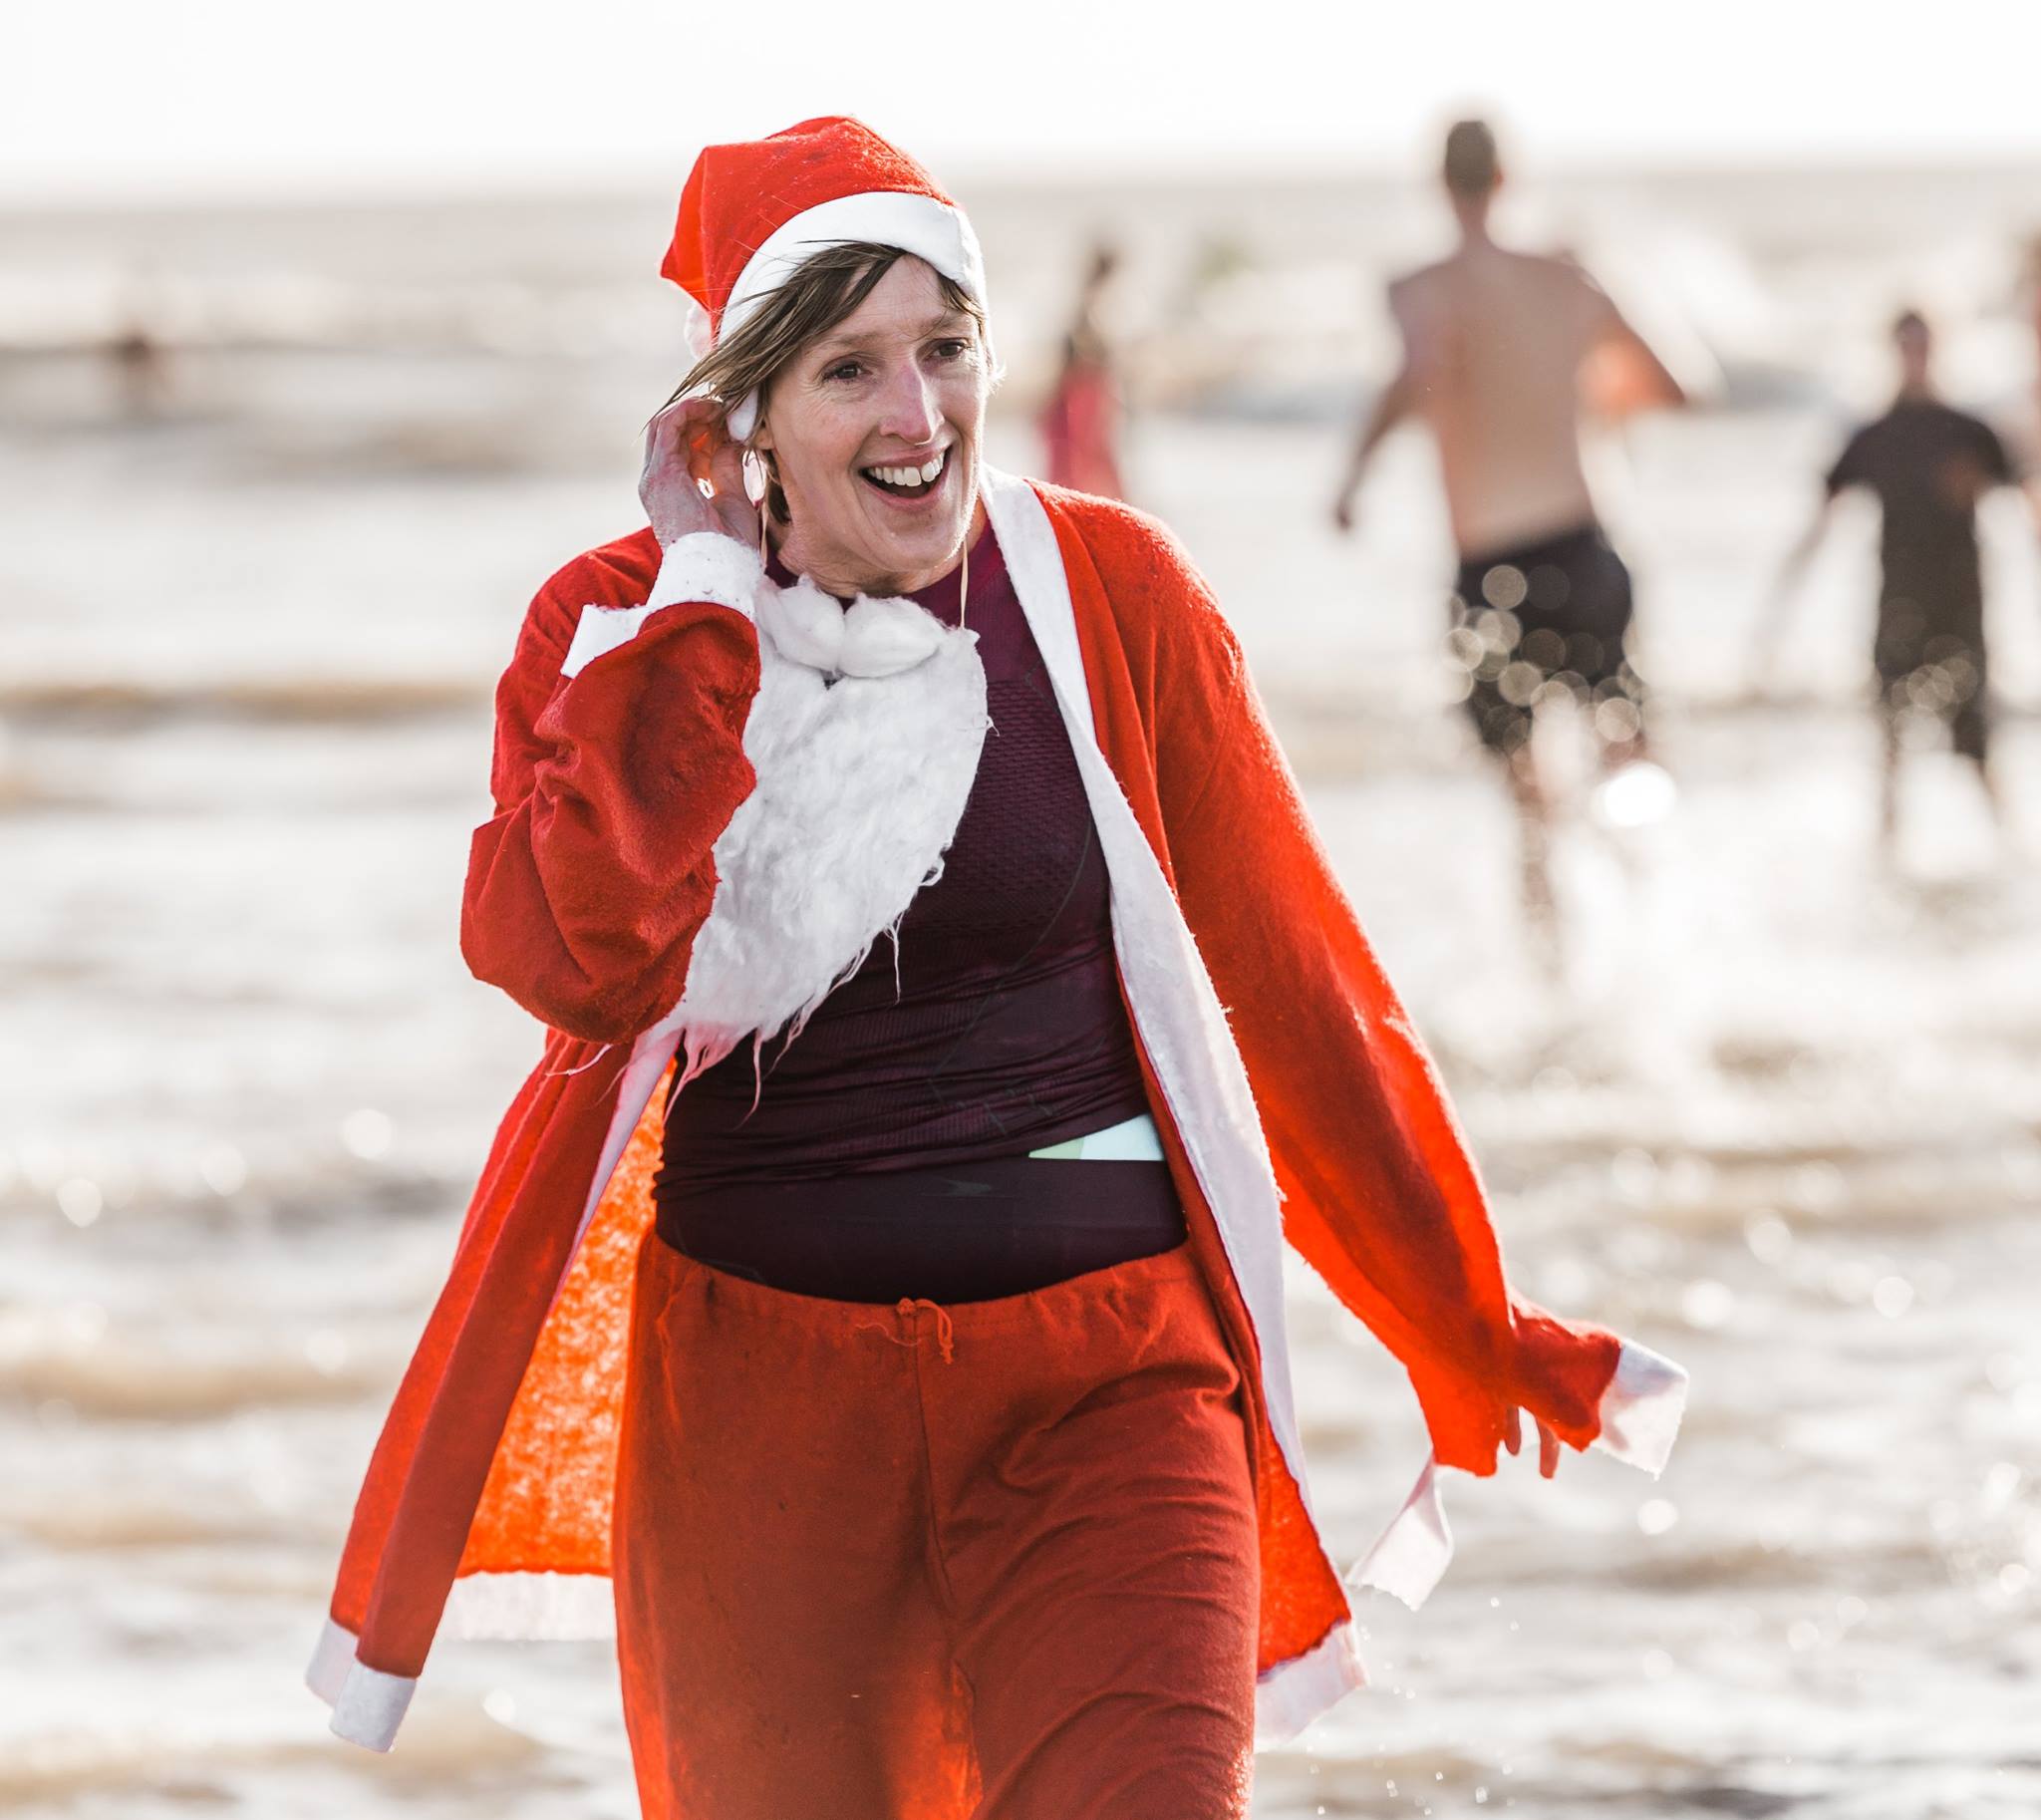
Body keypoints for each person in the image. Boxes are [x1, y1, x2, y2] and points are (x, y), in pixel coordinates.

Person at [306, 118, 1686, 1818]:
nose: (918, 414)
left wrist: (1459, 1316)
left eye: (945, 348)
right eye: (847, 369)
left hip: (1107, 1394)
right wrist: (706, 603)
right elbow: (577, 959)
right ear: (735, 417)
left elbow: (1295, 983)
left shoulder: (1105, 592)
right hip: (760, 1431)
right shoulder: (615, 628)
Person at [1330, 119, 1688, 924]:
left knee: (1528, 798)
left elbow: (1422, 369)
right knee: (1624, 748)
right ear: (1507, 179)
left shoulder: (1417, 287)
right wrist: (1577, 395)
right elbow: (1679, 383)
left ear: (1439, 184)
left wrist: (1356, 471)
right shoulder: (1568, 278)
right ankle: (1661, 924)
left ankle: (1551, 963)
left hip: (1491, 571)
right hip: (1587, 551)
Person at [1762, 309, 2023, 855]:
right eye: (1906, 345)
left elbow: (2025, 502)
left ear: (1937, 348)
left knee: (1976, 747)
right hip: (1897, 604)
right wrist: (1778, 611)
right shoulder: (1874, 436)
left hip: (1963, 605)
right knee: (1890, 747)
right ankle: (1885, 862)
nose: (1915, 355)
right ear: (1892, 350)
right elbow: (1821, 521)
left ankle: (2012, 857)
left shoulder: (1970, 432)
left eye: (1922, 344)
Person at [1037, 240, 1126, 498]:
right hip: (1081, 395)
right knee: (1080, 467)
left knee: (1085, 466)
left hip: (1083, 394)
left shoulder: (1093, 305)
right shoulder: (1091, 307)